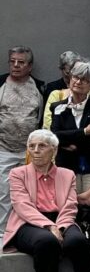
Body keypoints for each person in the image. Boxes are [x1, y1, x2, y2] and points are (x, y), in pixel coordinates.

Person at [1, 129, 90, 272]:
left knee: (78, 242)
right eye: (32, 146)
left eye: (42, 146)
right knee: (46, 243)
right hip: (27, 223)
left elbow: (70, 205)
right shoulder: (17, 173)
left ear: (53, 150)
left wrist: (61, 227)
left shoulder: (66, 174)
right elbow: (22, 206)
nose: (36, 150)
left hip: (61, 218)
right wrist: (48, 226)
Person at [0, 46, 45, 235]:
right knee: (4, 193)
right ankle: (3, 232)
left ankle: (26, 230)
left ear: (30, 66)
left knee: (32, 193)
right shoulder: (1, 84)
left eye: (21, 62)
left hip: (31, 151)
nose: (16, 65)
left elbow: (42, 118)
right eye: (12, 61)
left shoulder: (40, 87)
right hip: (4, 149)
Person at [48, 61, 90, 192]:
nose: (78, 82)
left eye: (84, 80)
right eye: (75, 77)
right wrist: (84, 132)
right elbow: (54, 136)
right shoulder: (57, 106)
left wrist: (68, 140)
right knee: (69, 204)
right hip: (66, 165)